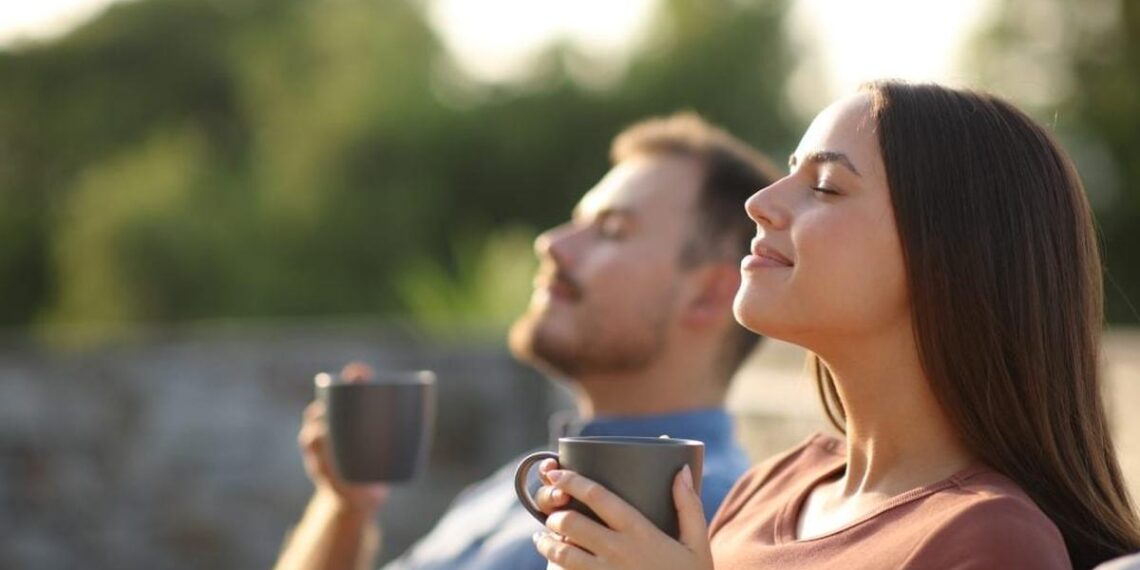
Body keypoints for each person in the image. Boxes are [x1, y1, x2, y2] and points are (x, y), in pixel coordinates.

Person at [531, 81, 1140, 570]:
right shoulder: (770, 487)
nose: (761, 201)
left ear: (947, 256)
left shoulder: (989, 540)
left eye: (824, 186)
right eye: (789, 171)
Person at [272, 113, 784, 570]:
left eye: (610, 230)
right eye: (578, 222)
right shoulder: (518, 482)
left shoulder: (711, 527)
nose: (552, 244)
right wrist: (345, 509)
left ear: (709, 294)